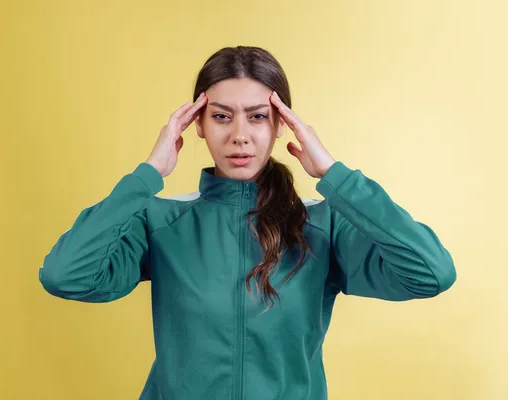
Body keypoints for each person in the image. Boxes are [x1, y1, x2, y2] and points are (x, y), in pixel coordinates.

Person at [38, 45, 457, 400]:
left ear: (281, 125)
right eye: (221, 116)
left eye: (257, 116)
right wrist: (147, 175)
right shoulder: (161, 220)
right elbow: (65, 276)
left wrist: (335, 176)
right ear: (196, 125)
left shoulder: (322, 224)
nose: (239, 134)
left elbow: (430, 274)